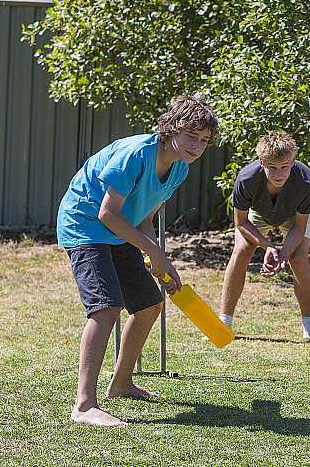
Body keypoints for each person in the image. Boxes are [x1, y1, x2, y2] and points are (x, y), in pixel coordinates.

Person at [57, 95, 218, 427]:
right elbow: (107, 213)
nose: (197, 145)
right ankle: (85, 405)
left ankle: (122, 383)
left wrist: (158, 255)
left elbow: (143, 217)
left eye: (204, 140)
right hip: (85, 225)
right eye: (192, 135)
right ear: (171, 128)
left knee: (148, 304)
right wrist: (153, 252)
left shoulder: (179, 169)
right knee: (106, 307)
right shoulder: (136, 155)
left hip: (118, 229)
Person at [218, 130, 310, 340]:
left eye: (284, 167)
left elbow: (300, 226)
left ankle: (309, 326)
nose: (278, 174)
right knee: (242, 251)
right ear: (262, 163)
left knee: (298, 258)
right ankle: (223, 322)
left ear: (292, 162)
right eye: (272, 167)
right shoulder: (247, 178)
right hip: (259, 212)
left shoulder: (306, 181)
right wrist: (268, 246)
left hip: (293, 215)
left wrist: (282, 255)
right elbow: (241, 221)